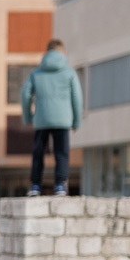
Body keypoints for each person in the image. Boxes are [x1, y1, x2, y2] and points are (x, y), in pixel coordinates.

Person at [21, 39, 83, 197]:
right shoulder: (69, 72)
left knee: (38, 153)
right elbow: (77, 98)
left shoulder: (35, 73)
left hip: (41, 119)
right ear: (62, 52)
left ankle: (35, 186)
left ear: (47, 52)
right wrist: (76, 121)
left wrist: (28, 117)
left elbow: (25, 95)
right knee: (61, 153)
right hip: (63, 119)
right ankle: (60, 186)